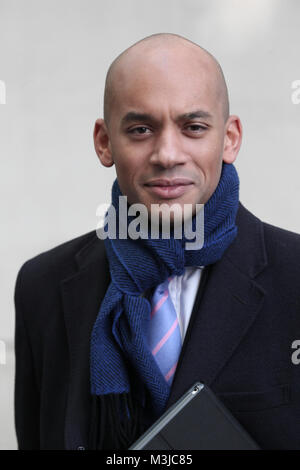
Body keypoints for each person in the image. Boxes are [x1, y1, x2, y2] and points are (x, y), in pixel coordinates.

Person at [14, 33, 300, 451]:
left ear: (230, 138)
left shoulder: (295, 276)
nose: (168, 153)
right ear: (104, 141)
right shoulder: (41, 286)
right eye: (141, 129)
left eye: (194, 127)